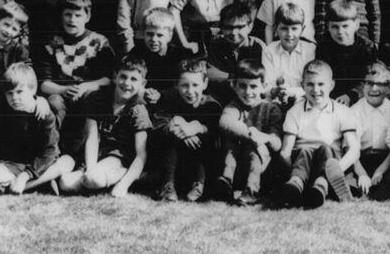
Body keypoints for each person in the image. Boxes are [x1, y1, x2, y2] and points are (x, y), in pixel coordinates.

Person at [0, 63, 69, 197]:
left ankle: (10, 185)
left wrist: (25, 175)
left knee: (64, 163)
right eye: (9, 93)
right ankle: (35, 183)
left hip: (39, 164)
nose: (14, 98)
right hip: (11, 166)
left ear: (33, 90)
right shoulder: (4, 109)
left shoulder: (44, 115)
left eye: (19, 92)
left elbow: (50, 152)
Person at [58, 54, 152, 198]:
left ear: (142, 83)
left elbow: (141, 155)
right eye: (123, 76)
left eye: (134, 79)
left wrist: (123, 185)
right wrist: (90, 169)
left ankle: (126, 175)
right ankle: (99, 180)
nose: (127, 83)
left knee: (93, 179)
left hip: (118, 159)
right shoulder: (97, 98)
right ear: (115, 76)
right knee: (65, 183)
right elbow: (92, 138)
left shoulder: (138, 110)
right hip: (97, 154)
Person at [36, 0, 115, 154]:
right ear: (61, 15)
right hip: (61, 93)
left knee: (91, 100)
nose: (72, 20)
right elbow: (44, 83)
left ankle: (84, 152)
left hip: (88, 93)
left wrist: (85, 87)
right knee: (54, 103)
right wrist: (63, 89)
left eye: (78, 15)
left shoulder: (99, 42)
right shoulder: (51, 44)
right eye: (68, 14)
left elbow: (108, 79)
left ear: (87, 16)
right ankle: (52, 150)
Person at [279, 59, 359, 208]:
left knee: (326, 149)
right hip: (301, 165)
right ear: (302, 85)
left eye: (321, 84)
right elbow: (285, 152)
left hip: (330, 164)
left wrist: (336, 171)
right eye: (310, 84)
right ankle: (295, 185)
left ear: (331, 85)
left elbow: (354, 149)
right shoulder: (294, 112)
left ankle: (320, 187)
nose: (316, 90)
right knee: (304, 151)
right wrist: (293, 172)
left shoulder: (343, 112)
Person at [213, 59, 283, 206]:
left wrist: (263, 139)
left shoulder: (271, 109)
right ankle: (226, 181)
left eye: (253, 86)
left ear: (263, 87)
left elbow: (276, 143)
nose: (248, 92)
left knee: (254, 149)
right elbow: (225, 122)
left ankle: (251, 191)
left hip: (261, 167)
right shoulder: (234, 106)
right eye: (242, 86)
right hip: (236, 166)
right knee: (232, 142)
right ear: (234, 85)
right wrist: (252, 134)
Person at [152, 58, 222, 202]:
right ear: (176, 84)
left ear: (205, 83)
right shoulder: (170, 101)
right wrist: (177, 129)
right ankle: (168, 185)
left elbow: (215, 133)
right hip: (175, 160)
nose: (190, 91)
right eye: (184, 85)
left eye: (195, 85)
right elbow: (158, 124)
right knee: (169, 138)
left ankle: (199, 183)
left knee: (207, 142)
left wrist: (198, 127)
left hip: (199, 160)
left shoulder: (211, 105)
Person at [349, 62, 390, 199]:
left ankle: (385, 188)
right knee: (349, 173)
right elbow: (351, 147)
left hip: (385, 159)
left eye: (380, 84)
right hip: (359, 158)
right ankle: (351, 188)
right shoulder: (354, 111)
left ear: (389, 88)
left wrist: (380, 171)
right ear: (362, 86)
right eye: (369, 83)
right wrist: (362, 174)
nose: (374, 88)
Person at [316, 0, 378, 106]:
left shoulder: (367, 47)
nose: (340, 32)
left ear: (356, 25)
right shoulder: (324, 47)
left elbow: (369, 79)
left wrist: (351, 96)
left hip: (360, 97)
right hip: (331, 98)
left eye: (345, 26)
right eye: (335, 26)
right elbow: (321, 77)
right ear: (328, 26)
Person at [204, 2, 265, 104]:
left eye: (240, 27)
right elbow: (213, 77)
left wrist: (226, 76)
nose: (233, 33)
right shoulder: (216, 46)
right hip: (223, 99)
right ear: (221, 28)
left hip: (251, 100)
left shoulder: (258, 47)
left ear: (250, 26)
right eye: (228, 27)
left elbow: (257, 81)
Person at [129, 7, 192, 105]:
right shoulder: (137, 53)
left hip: (170, 102)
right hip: (142, 100)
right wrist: (142, 91)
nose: (154, 39)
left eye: (160, 35)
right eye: (149, 34)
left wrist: (161, 95)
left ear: (169, 36)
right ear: (143, 33)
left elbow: (183, 85)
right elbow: (129, 78)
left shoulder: (179, 55)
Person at [261, 3, 316, 105]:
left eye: (294, 29)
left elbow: (313, 83)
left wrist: (292, 92)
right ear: (276, 29)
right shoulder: (269, 51)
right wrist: (275, 91)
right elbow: (267, 84)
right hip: (276, 100)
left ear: (302, 29)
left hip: (304, 100)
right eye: (284, 28)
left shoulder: (310, 50)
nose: (289, 34)